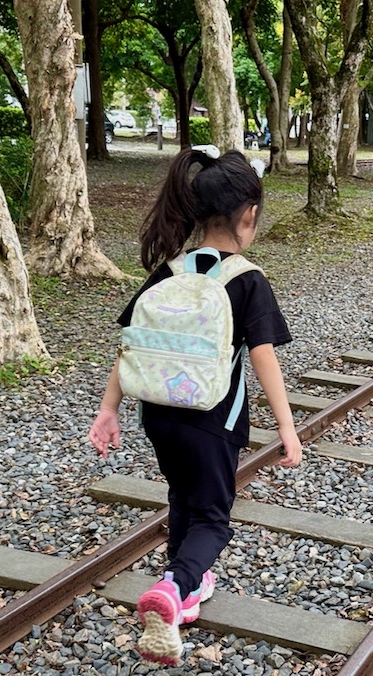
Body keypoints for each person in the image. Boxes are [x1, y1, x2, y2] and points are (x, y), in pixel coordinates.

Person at [88, 146, 303, 665]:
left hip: (158, 414)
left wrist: (108, 409)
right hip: (214, 421)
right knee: (213, 516)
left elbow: (131, 344)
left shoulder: (170, 271)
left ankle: (184, 591)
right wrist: (288, 430)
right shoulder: (247, 279)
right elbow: (264, 360)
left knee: (183, 495)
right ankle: (174, 583)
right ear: (249, 215)